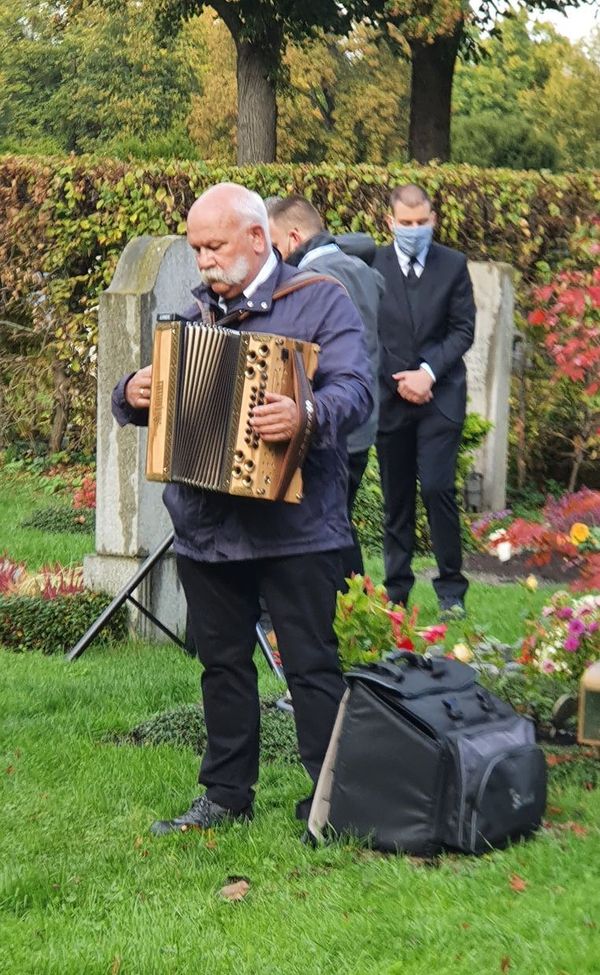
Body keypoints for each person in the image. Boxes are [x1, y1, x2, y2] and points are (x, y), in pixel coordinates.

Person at [111, 182, 373, 834]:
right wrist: (133, 391)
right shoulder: (195, 314)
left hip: (297, 528)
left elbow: (358, 391)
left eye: (213, 245)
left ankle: (332, 802)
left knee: (311, 663)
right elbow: (156, 400)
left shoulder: (318, 301)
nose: (202, 259)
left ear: (257, 237)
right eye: (196, 247)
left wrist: (305, 413)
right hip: (207, 528)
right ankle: (225, 795)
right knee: (222, 665)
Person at [267, 194, 383, 579]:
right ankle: (357, 610)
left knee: (328, 528)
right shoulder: (360, 269)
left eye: (273, 245)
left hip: (327, 418)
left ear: (294, 237)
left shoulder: (319, 281)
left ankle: (345, 607)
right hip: (359, 422)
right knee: (339, 522)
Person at [373, 184, 475, 617]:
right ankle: (396, 590)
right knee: (396, 499)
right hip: (391, 395)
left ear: (433, 219)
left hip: (439, 396)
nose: (414, 230)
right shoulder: (372, 264)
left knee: (436, 488)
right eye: (405, 223)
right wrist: (400, 379)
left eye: (421, 223)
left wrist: (427, 373)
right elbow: (364, 329)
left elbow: (462, 330)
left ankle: (451, 590)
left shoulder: (453, 265)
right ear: (390, 222)